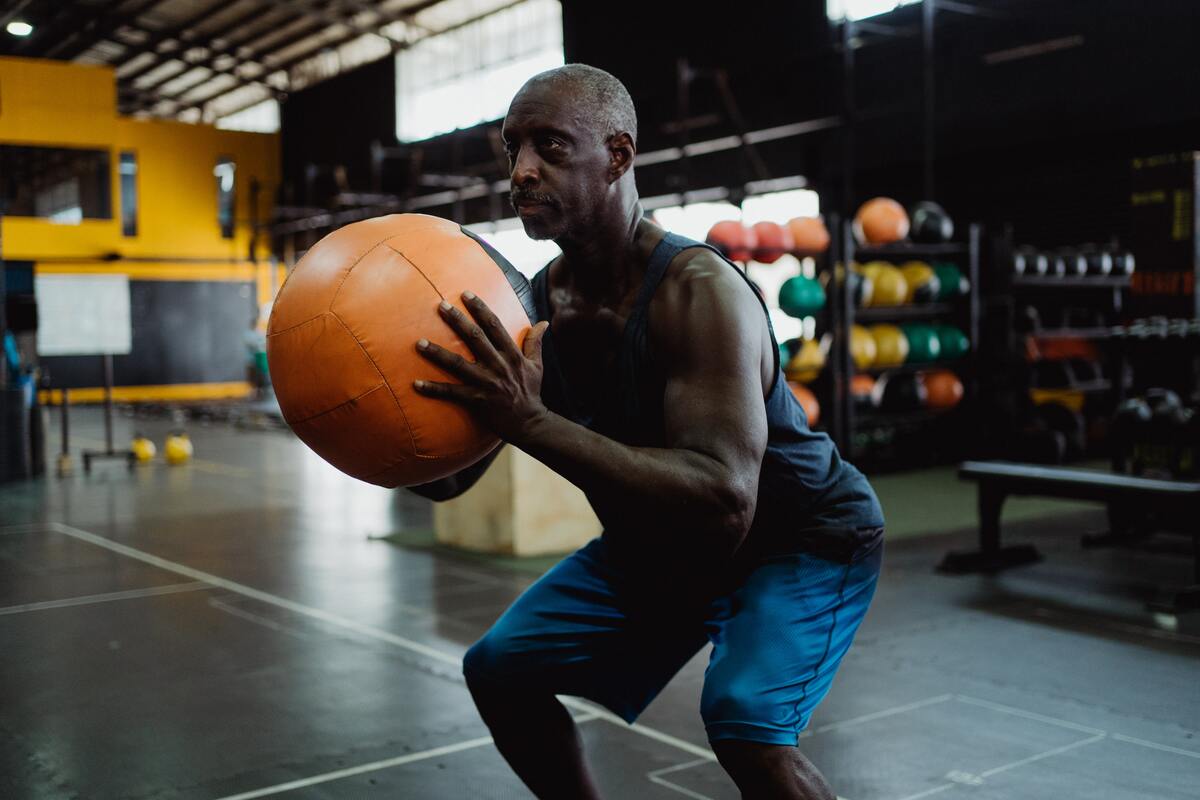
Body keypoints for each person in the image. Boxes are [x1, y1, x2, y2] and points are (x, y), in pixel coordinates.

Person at [410, 64, 884, 800]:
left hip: (797, 539)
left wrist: (529, 422)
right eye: (512, 151)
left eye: (551, 147)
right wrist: (369, 418)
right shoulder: (537, 309)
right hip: (663, 546)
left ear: (619, 157)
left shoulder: (701, 294)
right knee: (499, 668)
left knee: (744, 720)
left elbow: (724, 497)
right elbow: (450, 478)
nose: (522, 172)